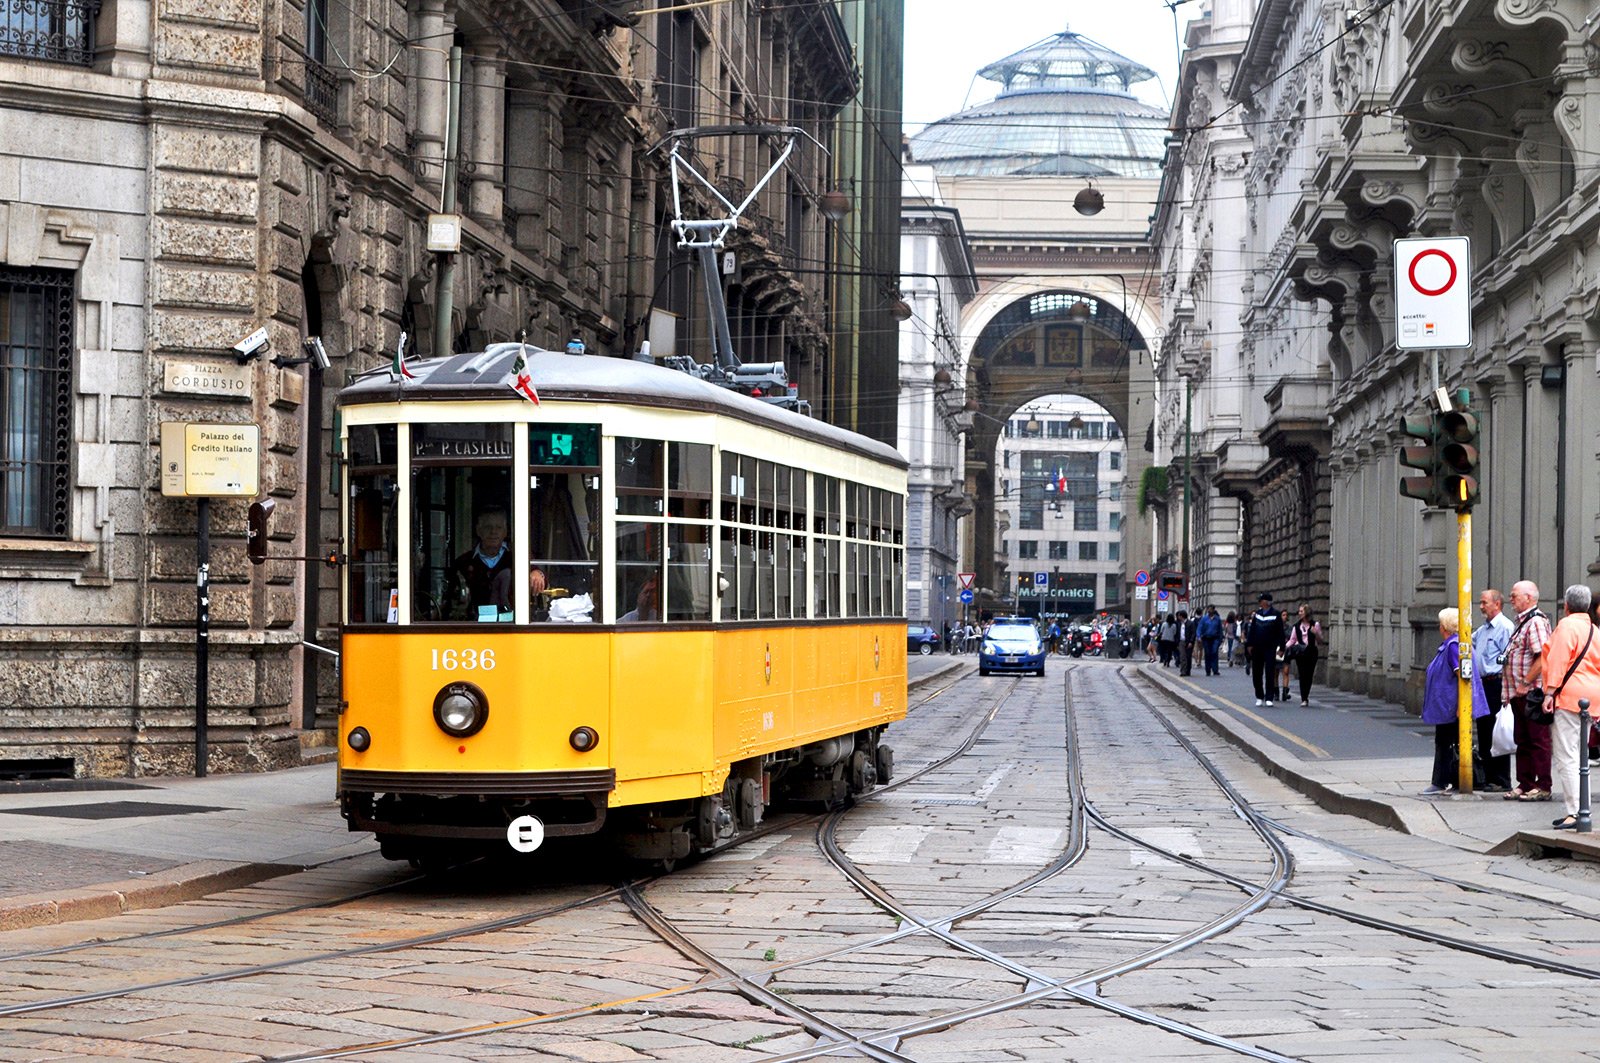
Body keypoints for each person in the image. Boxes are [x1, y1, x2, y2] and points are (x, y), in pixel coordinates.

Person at [1541, 585, 1600, 830]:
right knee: (1581, 755)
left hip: (1569, 696)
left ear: (1566, 606)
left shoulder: (1566, 627)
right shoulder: (1595, 630)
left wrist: (1549, 692)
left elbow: (1557, 661)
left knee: (1567, 755)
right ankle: (1580, 809)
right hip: (1592, 696)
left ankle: (1575, 811)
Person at [1420, 608, 1490, 795]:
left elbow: (1462, 676)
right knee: (1447, 741)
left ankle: (1442, 781)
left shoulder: (1453, 646)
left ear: (1444, 627)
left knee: (1446, 742)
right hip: (1449, 706)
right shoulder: (1453, 644)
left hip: (1451, 707)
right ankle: (1448, 780)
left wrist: (1461, 706)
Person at [1502, 580, 1554, 802]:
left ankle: (1542, 785)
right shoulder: (1522, 622)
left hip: (1531, 693)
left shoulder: (1535, 622)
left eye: (1515, 595)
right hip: (1518, 693)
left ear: (1529, 598)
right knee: (1522, 739)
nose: (1510, 599)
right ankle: (1525, 783)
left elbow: (1542, 656)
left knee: (1537, 739)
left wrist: (1525, 682)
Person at [1472, 588, 1516, 792]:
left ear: (1497, 604)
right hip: (1483, 684)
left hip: (1496, 683)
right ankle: (1487, 776)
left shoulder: (1505, 627)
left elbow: (1508, 659)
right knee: (1484, 729)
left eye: (1484, 603)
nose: (1481, 607)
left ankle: (1500, 779)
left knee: (1496, 731)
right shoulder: (1483, 630)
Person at [447, 509, 512, 617]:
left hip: (510, 626)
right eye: (488, 527)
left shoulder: (516, 559)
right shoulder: (462, 562)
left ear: (505, 532)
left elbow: (538, 574)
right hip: (473, 626)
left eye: (498, 527)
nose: (493, 532)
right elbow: (451, 600)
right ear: (478, 531)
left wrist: (537, 573)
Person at [1246, 593, 1286, 705]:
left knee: (1270, 673)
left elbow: (1280, 633)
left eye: (1261, 600)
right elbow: (1252, 631)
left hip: (1270, 648)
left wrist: (1282, 648)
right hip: (1257, 648)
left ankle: (1269, 697)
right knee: (1257, 673)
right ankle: (1259, 695)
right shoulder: (1257, 614)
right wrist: (1249, 644)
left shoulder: (1276, 615)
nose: (1259, 602)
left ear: (1266, 602)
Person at [1283, 604, 1323, 706]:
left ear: (1307, 612)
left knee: (1309, 675)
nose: (1299, 613)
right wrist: (1283, 648)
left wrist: (1316, 633)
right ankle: (1304, 698)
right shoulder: (1296, 626)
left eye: (1301, 611)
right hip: (1300, 653)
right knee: (1302, 675)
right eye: (1299, 611)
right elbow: (1292, 640)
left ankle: (1306, 695)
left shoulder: (1315, 625)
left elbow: (1320, 641)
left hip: (1311, 652)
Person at [1198, 606, 1224, 676]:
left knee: (1214, 652)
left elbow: (1220, 630)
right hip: (1206, 638)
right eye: (1208, 609)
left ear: (1213, 610)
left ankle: (1215, 669)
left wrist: (1221, 639)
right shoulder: (1204, 619)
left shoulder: (1217, 619)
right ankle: (1208, 670)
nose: (1209, 611)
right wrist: (1199, 636)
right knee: (1207, 653)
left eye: (1210, 609)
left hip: (1215, 638)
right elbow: (1200, 628)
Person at [1177, 611, 1195, 676]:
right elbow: (1177, 633)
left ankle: (1188, 670)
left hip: (1188, 642)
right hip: (1181, 641)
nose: (1178, 617)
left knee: (1188, 657)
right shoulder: (1179, 624)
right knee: (1182, 657)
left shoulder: (1190, 623)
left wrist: (1191, 641)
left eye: (1179, 616)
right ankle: (1183, 671)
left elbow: (1193, 633)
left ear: (1182, 616)